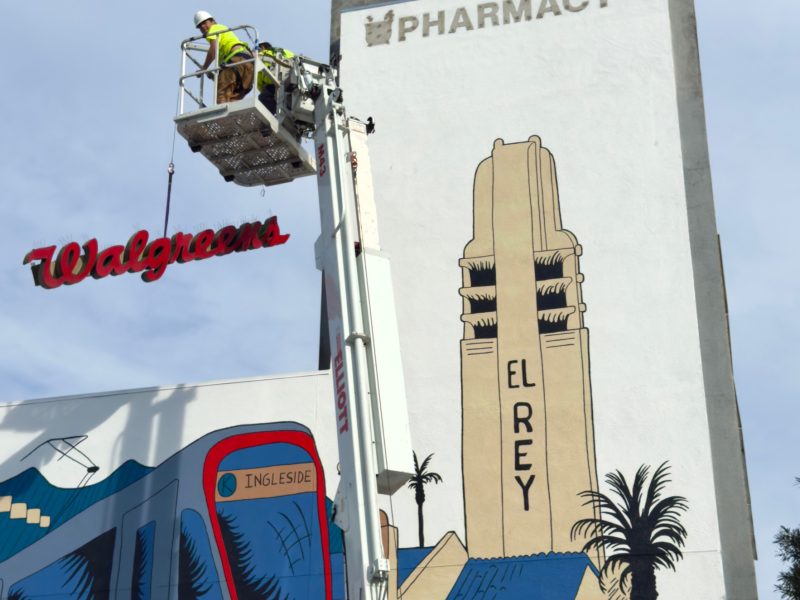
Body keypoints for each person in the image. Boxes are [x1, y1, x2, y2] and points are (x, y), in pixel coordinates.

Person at [194, 10, 254, 104]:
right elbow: (226, 75)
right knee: (232, 98)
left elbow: (213, 49)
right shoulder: (225, 36)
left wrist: (204, 68)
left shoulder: (215, 28)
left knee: (221, 97)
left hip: (237, 60)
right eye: (200, 26)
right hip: (248, 64)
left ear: (212, 21)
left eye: (205, 23)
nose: (202, 27)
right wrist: (213, 76)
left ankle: (220, 118)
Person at [256, 42, 295, 114]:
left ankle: (268, 121)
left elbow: (258, 75)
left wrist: (261, 88)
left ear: (262, 47)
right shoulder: (286, 52)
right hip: (290, 83)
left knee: (263, 100)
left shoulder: (261, 55)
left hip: (273, 84)